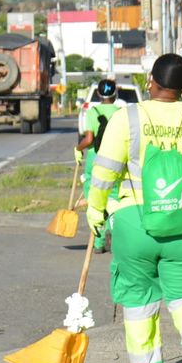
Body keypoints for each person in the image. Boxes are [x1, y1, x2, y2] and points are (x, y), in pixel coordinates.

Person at [85, 53, 182, 363]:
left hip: (135, 222)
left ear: (151, 80)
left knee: (139, 296)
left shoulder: (127, 117)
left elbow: (105, 172)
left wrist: (96, 211)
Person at [74, 79, 120, 252]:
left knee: (94, 198)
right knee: (113, 198)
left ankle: (99, 242)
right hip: (115, 159)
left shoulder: (93, 112)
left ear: (99, 95)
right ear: (115, 94)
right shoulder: (120, 112)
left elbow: (89, 139)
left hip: (96, 160)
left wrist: (78, 149)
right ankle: (111, 230)